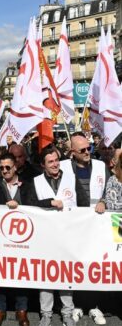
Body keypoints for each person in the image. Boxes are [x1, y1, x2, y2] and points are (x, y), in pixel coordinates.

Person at [27, 146, 87, 326]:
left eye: (56, 160)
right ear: (43, 165)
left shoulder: (71, 179)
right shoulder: (36, 181)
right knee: (45, 274)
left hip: (68, 235)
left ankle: (67, 312)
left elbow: (83, 204)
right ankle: (46, 313)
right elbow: (29, 204)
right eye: (50, 162)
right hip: (44, 237)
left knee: (66, 273)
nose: (54, 164)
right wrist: (49, 202)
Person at [67, 132, 109, 325]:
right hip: (73, 226)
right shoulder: (63, 168)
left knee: (94, 266)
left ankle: (94, 306)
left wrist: (104, 200)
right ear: (72, 152)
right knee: (75, 265)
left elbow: (110, 189)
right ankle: (76, 305)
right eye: (82, 150)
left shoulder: (100, 166)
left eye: (89, 148)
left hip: (96, 225)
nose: (87, 152)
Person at [0, 152, 29, 326]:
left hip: (23, 239)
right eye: (1, 167)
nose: (4, 170)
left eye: (8, 167)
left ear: (15, 167)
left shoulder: (27, 185)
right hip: (0, 238)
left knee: (22, 273)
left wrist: (21, 207)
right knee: (0, 273)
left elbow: (35, 205)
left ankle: (21, 310)